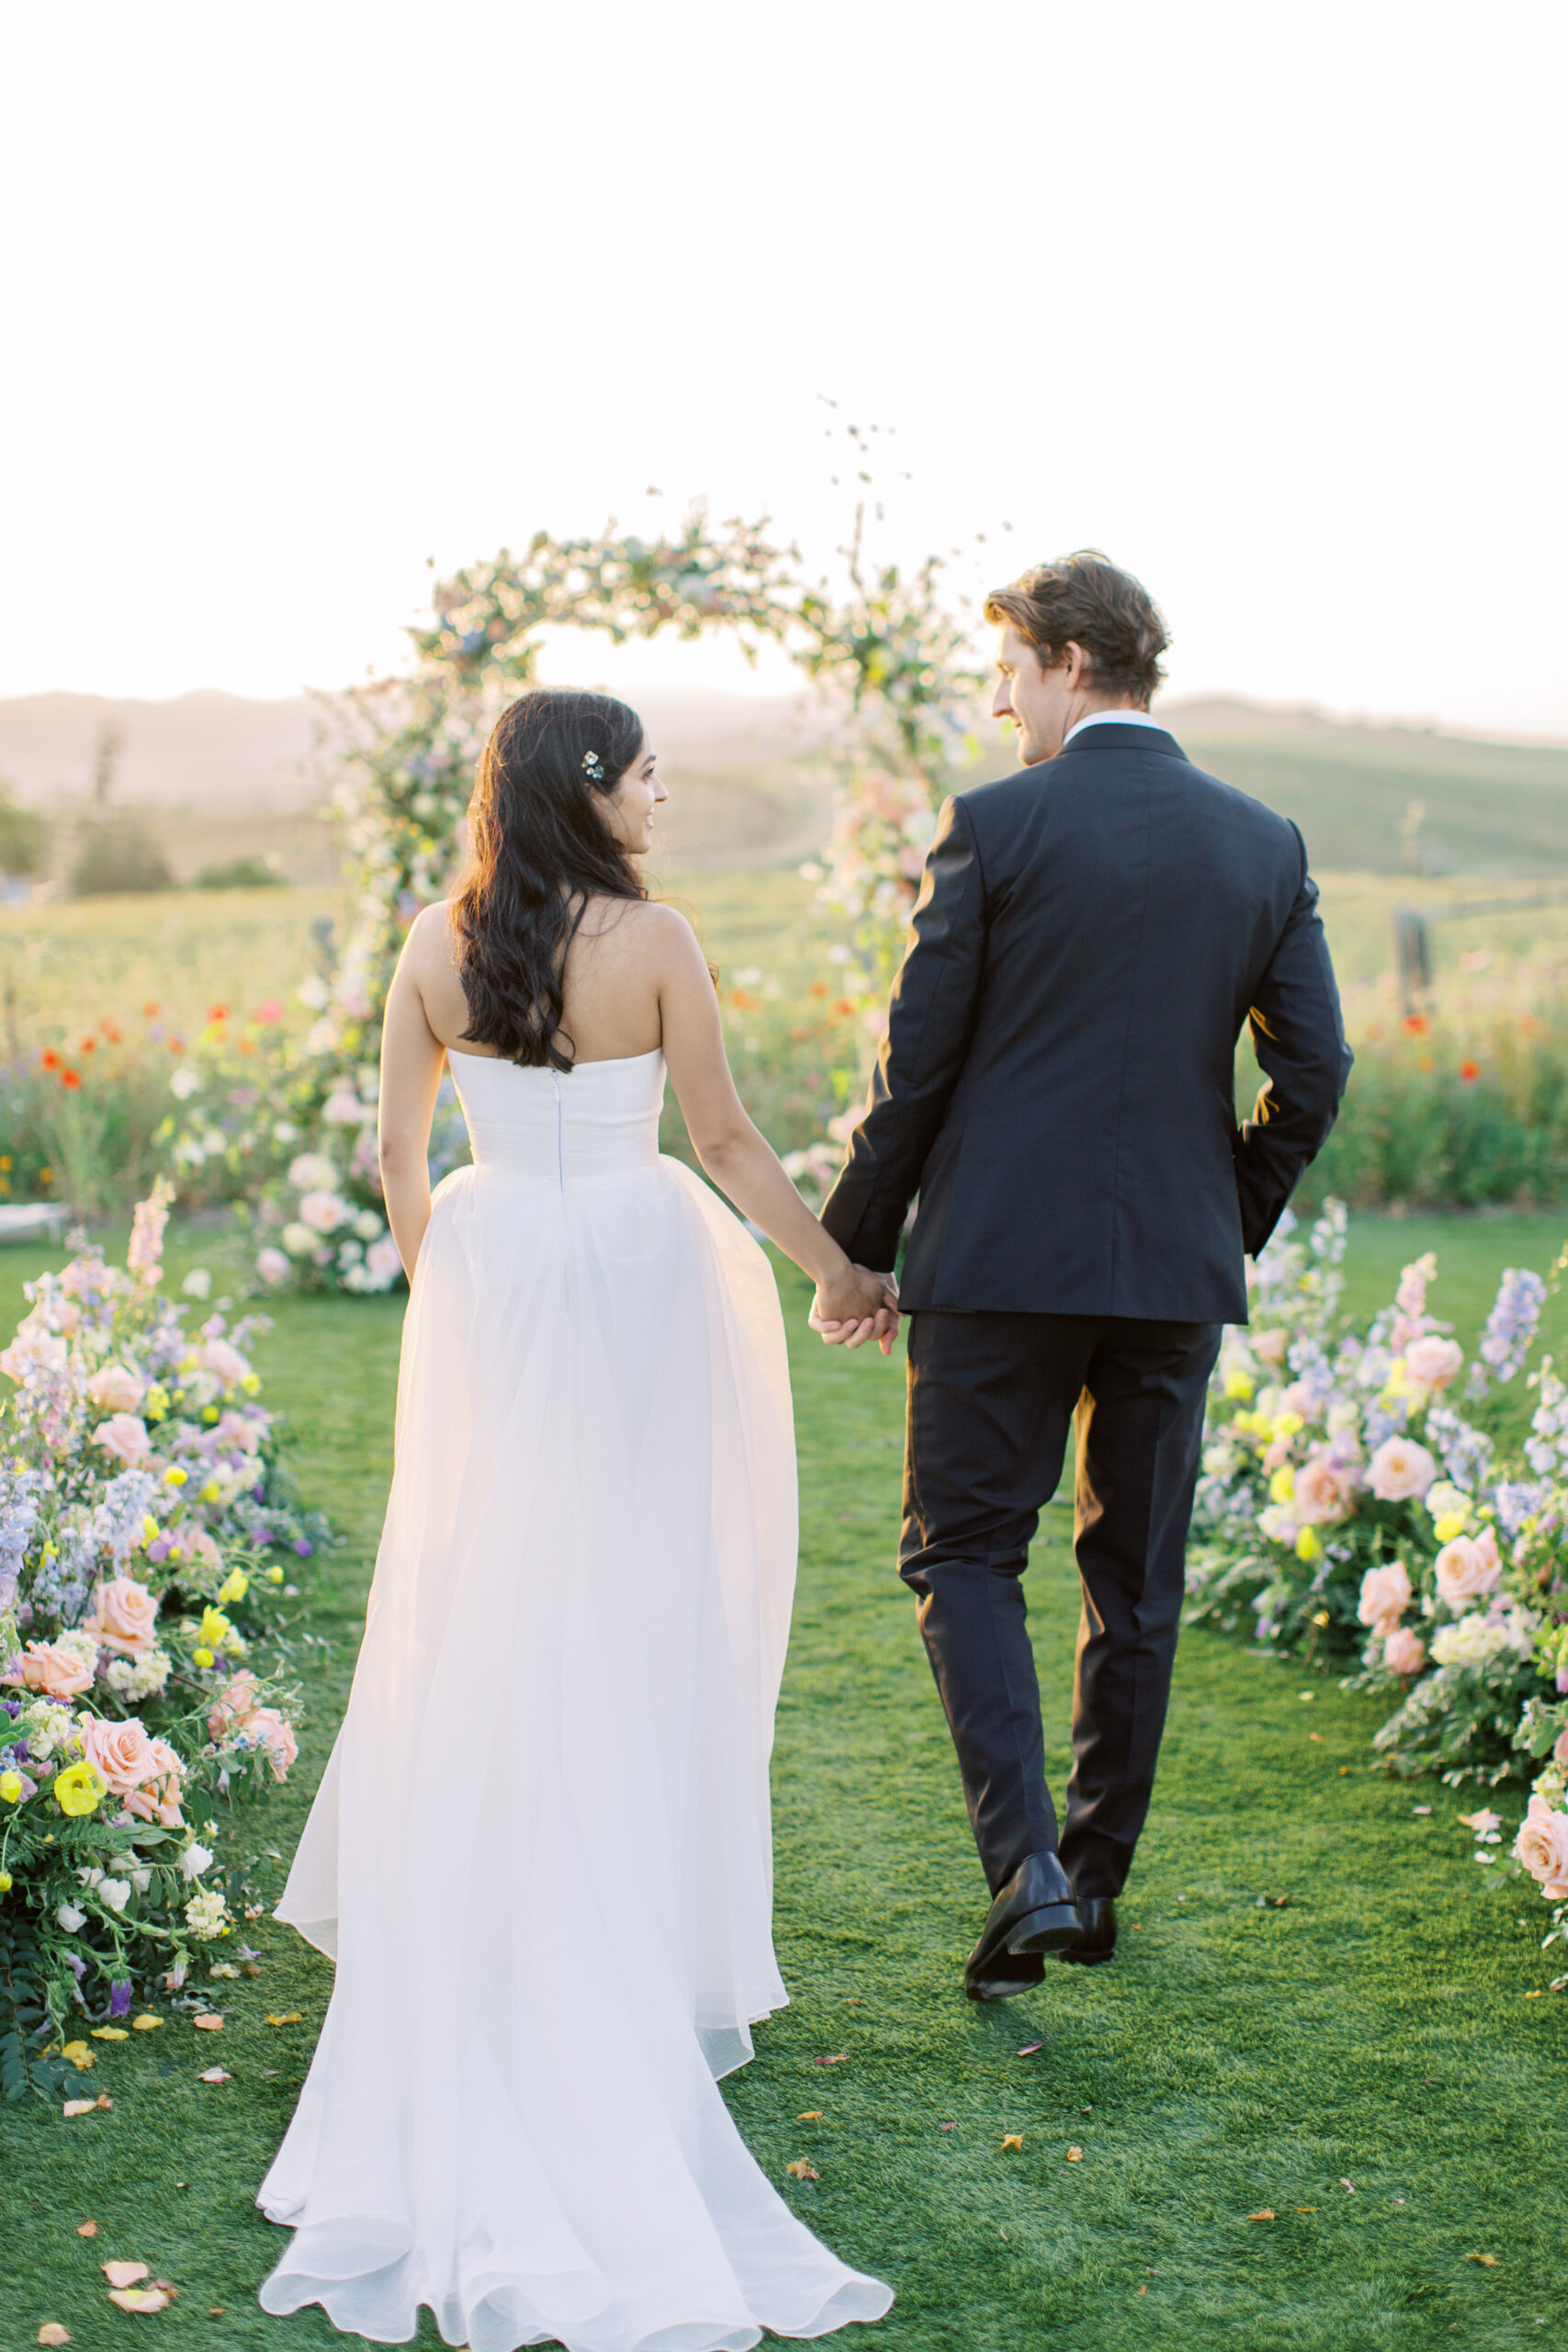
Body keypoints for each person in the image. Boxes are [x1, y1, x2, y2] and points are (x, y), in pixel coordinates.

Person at [255, 689, 897, 2350]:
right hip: (635, 1263)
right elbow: (727, 1139)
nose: (664, 795)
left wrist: (450, 1284)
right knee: (622, 1598)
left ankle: (489, 1925)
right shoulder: (660, 937)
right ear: (589, 786)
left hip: (498, 1271)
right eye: (648, 771)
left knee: (486, 1595)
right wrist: (836, 1268)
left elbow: (402, 1154)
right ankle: (606, 1924)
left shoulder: (428, 939)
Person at [813, 552, 1352, 2001]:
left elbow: (914, 1066)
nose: (996, 703)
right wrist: (1222, 1211)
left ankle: (1027, 1871)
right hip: (1172, 1269)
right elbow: (1317, 1071)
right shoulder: (1261, 840)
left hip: (997, 1261)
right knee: (1137, 1572)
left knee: (965, 1553)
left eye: (1004, 671)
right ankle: (1093, 1885)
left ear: (1064, 661)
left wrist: (858, 1247)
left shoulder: (994, 827)